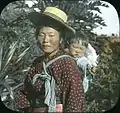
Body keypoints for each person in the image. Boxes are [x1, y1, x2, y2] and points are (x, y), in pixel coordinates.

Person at [15, 7, 85, 113]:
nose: (46, 40)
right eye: (41, 35)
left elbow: (75, 100)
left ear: (61, 38)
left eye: (51, 35)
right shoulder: (37, 62)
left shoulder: (67, 63)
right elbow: (26, 92)